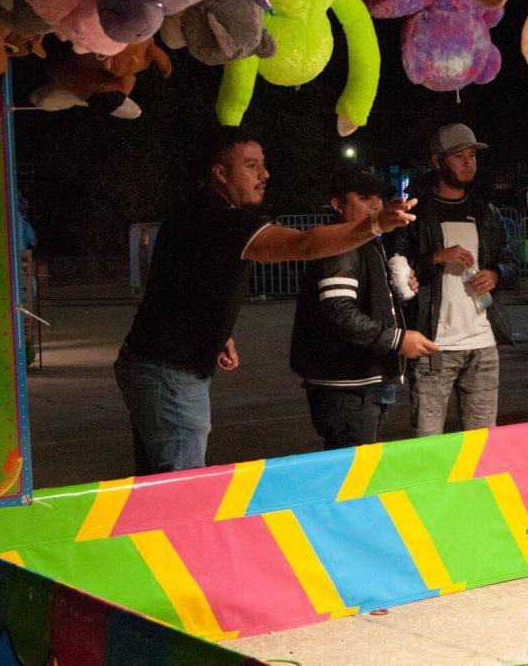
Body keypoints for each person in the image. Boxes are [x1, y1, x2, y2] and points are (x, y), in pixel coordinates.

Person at [115, 127, 417, 475]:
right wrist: (375, 224)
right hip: (169, 371)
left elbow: (178, 283)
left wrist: (217, 333)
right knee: (181, 484)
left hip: (155, 363)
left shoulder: (194, 212)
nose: (264, 174)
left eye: (263, 164)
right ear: (220, 173)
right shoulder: (221, 219)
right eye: (251, 166)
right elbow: (301, 245)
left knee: (156, 477)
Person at [290, 166, 440, 450]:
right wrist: (397, 339)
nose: (376, 204)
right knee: (352, 476)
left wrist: (395, 293)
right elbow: (339, 311)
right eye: (364, 196)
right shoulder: (341, 244)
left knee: (354, 473)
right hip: (347, 385)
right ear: (337, 204)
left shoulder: (364, 242)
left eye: (379, 197)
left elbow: (356, 304)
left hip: (358, 382)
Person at [394, 124, 517, 437]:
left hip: (483, 345)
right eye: (458, 156)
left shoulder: (486, 211)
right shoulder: (415, 213)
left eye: (472, 155)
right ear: (438, 161)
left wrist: (497, 274)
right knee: (428, 445)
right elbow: (394, 271)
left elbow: (510, 262)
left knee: (482, 444)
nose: (468, 162)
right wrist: (436, 257)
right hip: (435, 345)